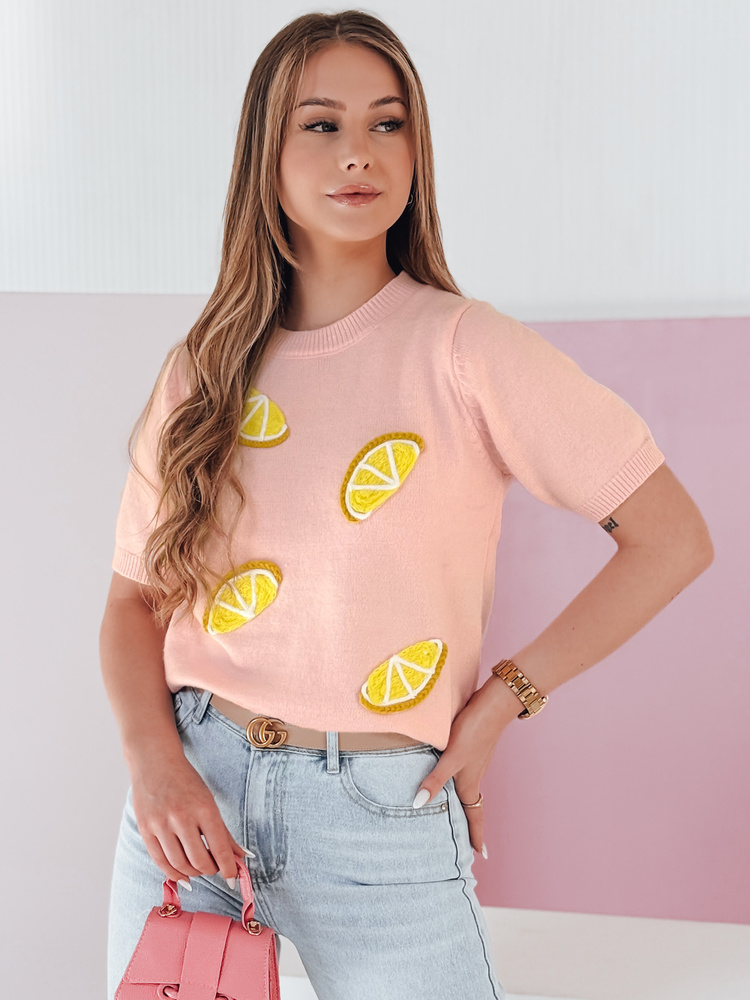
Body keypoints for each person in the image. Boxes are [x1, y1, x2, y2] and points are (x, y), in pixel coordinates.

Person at [100, 10, 713, 1000]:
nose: (360, 153)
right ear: (265, 155)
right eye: (322, 124)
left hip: (382, 815)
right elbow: (133, 602)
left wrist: (506, 698)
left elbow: (672, 538)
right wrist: (154, 766)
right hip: (193, 794)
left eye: (388, 124)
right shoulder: (202, 368)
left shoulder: (468, 349)